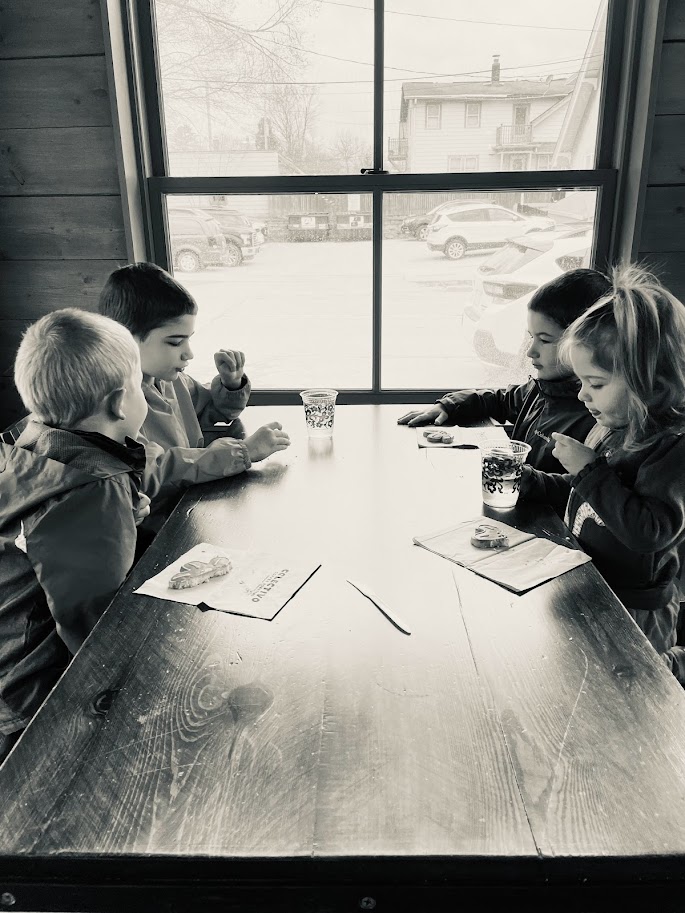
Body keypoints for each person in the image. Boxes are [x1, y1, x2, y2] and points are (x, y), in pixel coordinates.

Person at [519, 264, 685, 684]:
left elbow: (648, 531)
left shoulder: (671, 449)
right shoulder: (614, 426)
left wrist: (589, 469)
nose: (581, 394)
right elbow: (591, 498)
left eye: (594, 382)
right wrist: (535, 482)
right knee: (582, 683)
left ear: (649, 383)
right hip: (595, 589)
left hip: (636, 609)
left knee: (634, 701)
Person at [0, 309, 150, 764]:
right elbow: (92, 619)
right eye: (142, 384)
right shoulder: (91, 486)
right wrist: (134, 690)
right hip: (34, 695)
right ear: (120, 402)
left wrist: (120, 519)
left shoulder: (24, 443)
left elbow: (39, 533)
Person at [98, 262, 290, 537]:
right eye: (175, 342)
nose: (189, 353)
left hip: (190, 509)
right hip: (154, 534)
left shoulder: (168, 379)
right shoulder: (115, 403)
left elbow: (211, 411)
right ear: (125, 340)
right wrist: (243, 452)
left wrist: (231, 384)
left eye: (188, 340)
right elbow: (151, 474)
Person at [398, 269, 612, 473]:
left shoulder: (597, 416)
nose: (530, 352)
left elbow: (570, 492)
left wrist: (518, 476)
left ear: (583, 345)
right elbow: (500, 399)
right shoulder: (540, 390)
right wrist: (449, 406)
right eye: (531, 337)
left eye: (544, 340)